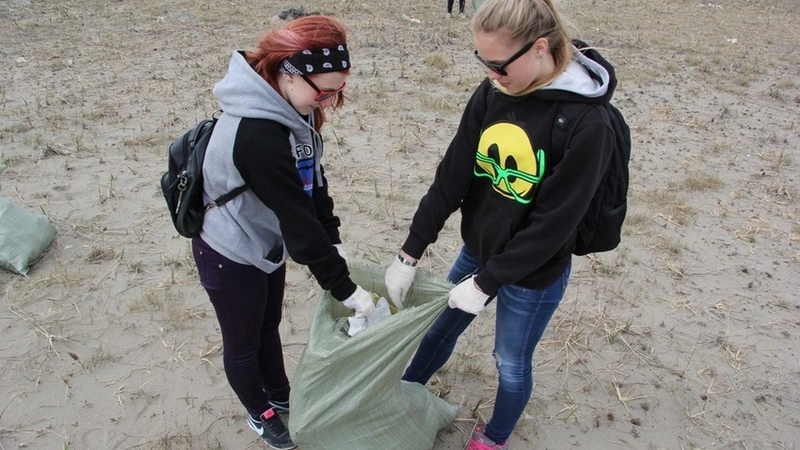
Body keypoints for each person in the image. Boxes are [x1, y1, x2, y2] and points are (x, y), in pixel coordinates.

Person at [384, 0, 620, 448]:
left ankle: (494, 437)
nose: (490, 73)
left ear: (539, 48)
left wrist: (485, 284)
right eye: (482, 61)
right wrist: (408, 253)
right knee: (439, 331)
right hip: (479, 248)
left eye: (497, 64)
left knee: (509, 361)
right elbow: (452, 174)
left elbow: (553, 226)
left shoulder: (590, 125)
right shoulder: (494, 91)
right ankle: (405, 393)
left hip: (535, 273)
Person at [192, 14, 375, 450]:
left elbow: (313, 181)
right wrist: (346, 291)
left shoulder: (295, 108)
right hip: (230, 249)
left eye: (338, 91)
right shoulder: (257, 133)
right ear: (286, 72)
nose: (329, 102)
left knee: (269, 324)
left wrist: (332, 234)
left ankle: (278, 393)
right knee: (242, 340)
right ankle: (261, 413)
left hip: (265, 240)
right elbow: (297, 222)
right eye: (325, 92)